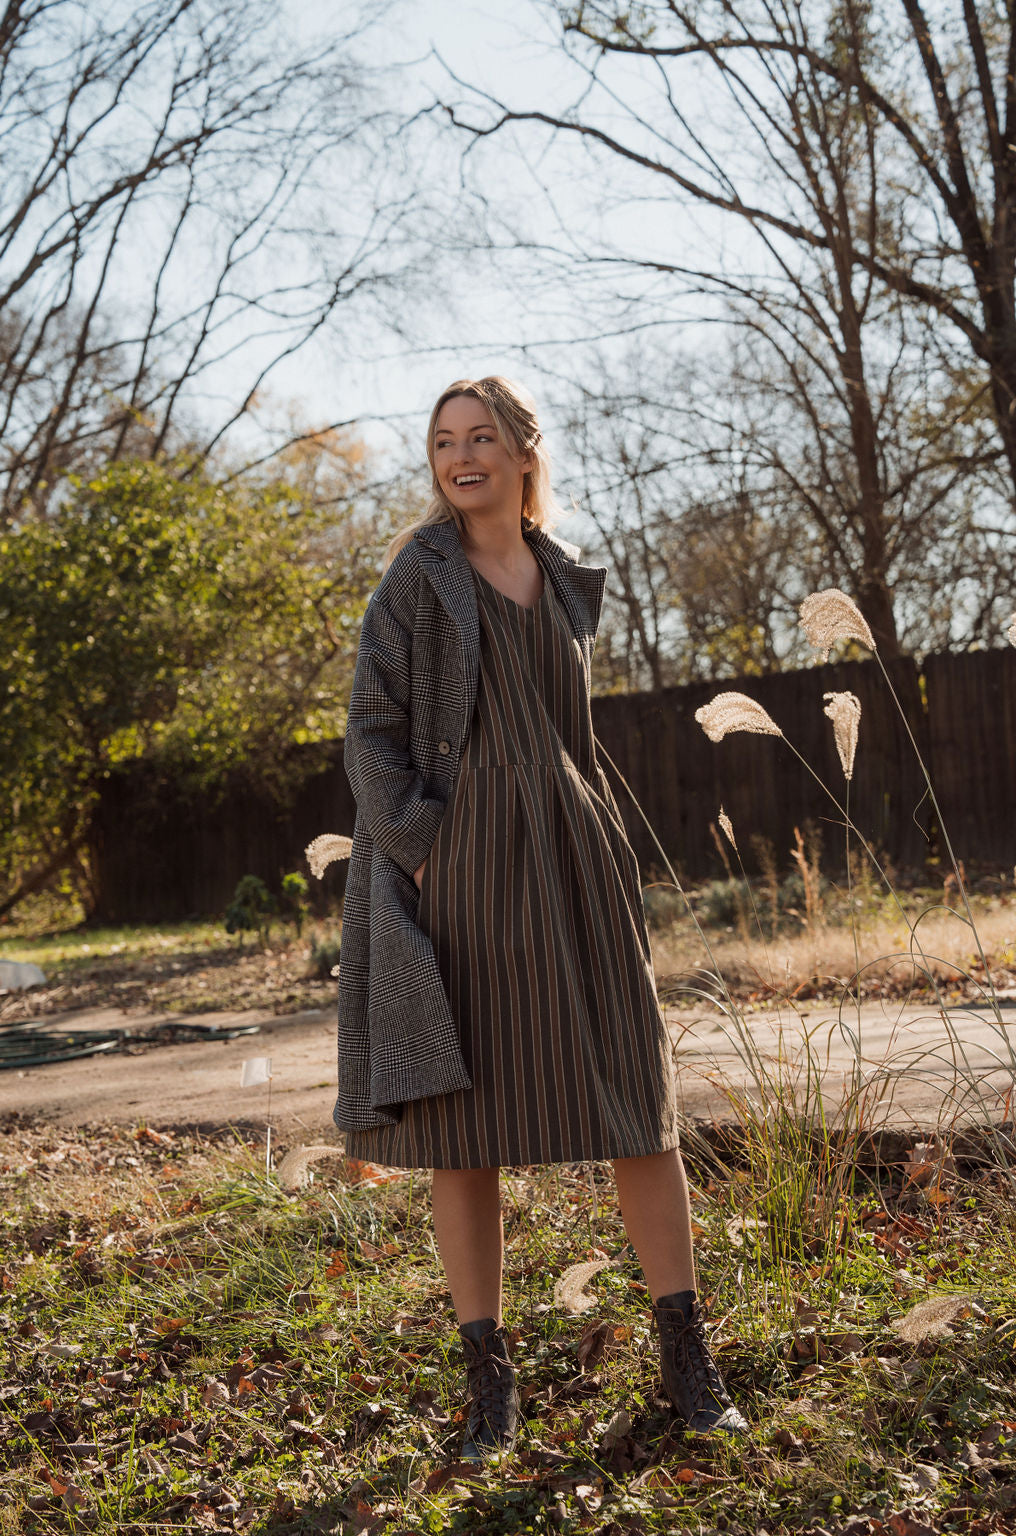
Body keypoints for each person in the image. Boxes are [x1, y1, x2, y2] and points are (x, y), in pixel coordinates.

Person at [320, 375, 747, 1464]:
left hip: (571, 855)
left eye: (479, 438)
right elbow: (368, 726)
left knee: (632, 1100)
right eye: (442, 442)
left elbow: (571, 737)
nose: (460, 457)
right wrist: (416, 849)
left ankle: (689, 1366)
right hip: (460, 862)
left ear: (521, 451)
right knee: (465, 1129)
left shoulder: (559, 581)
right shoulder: (416, 579)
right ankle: (490, 1388)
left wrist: (603, 839)